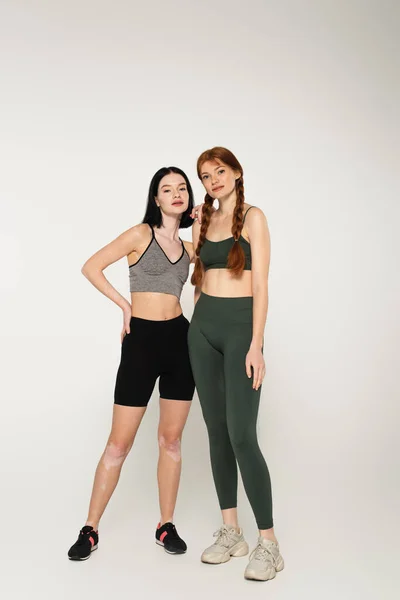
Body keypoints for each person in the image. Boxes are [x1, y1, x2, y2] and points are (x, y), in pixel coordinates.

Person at [68, 167, 196, 560]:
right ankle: (90, 529)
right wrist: (124, 305)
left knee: (170, 441)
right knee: (118, 444)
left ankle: (165, 525)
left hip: (180, 343)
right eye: (166, 189)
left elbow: (217, 288)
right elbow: (91, 265)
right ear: (155, 199)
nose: (175, 194)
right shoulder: (141, 234)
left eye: (182, 188)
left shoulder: (194, 248)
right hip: (140, 342)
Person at [188, 147, 284, 581]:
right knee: (216, 432)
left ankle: (269, 544)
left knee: (242, 434)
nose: (213, 181)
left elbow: (261, 284)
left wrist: (256, 344)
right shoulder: (204, 221)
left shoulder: (254, 217)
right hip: (203, 330)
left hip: (241, 331)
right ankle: (232, 533)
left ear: (236, 172)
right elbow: (197, 275)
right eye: (206, 176)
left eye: (219, 172)